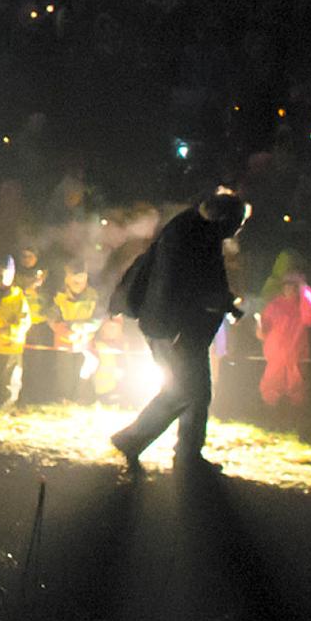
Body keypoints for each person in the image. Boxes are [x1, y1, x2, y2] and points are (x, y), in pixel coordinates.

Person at [112, 192, 249, 475]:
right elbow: (185, 284)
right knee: (185, 390)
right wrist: (218, 302)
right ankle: (133, 439)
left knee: (196, 392)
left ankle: (187, 455)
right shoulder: (194, 235)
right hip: (173, 328)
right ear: (224, 219)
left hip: (176, 326)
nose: (238, 230)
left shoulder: (191, 228)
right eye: (237, 223)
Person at [258, 258, 311, 416]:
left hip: (296, 355)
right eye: (287, 285)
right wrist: (260, 327)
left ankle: (295, 419)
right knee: (271, 387)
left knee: (297, 389)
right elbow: (263, 329)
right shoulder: (274, 305)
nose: (290, 288)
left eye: (293, 285)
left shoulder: (303, 304)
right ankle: (271, 418)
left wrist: (304, 286)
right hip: (276, 355)